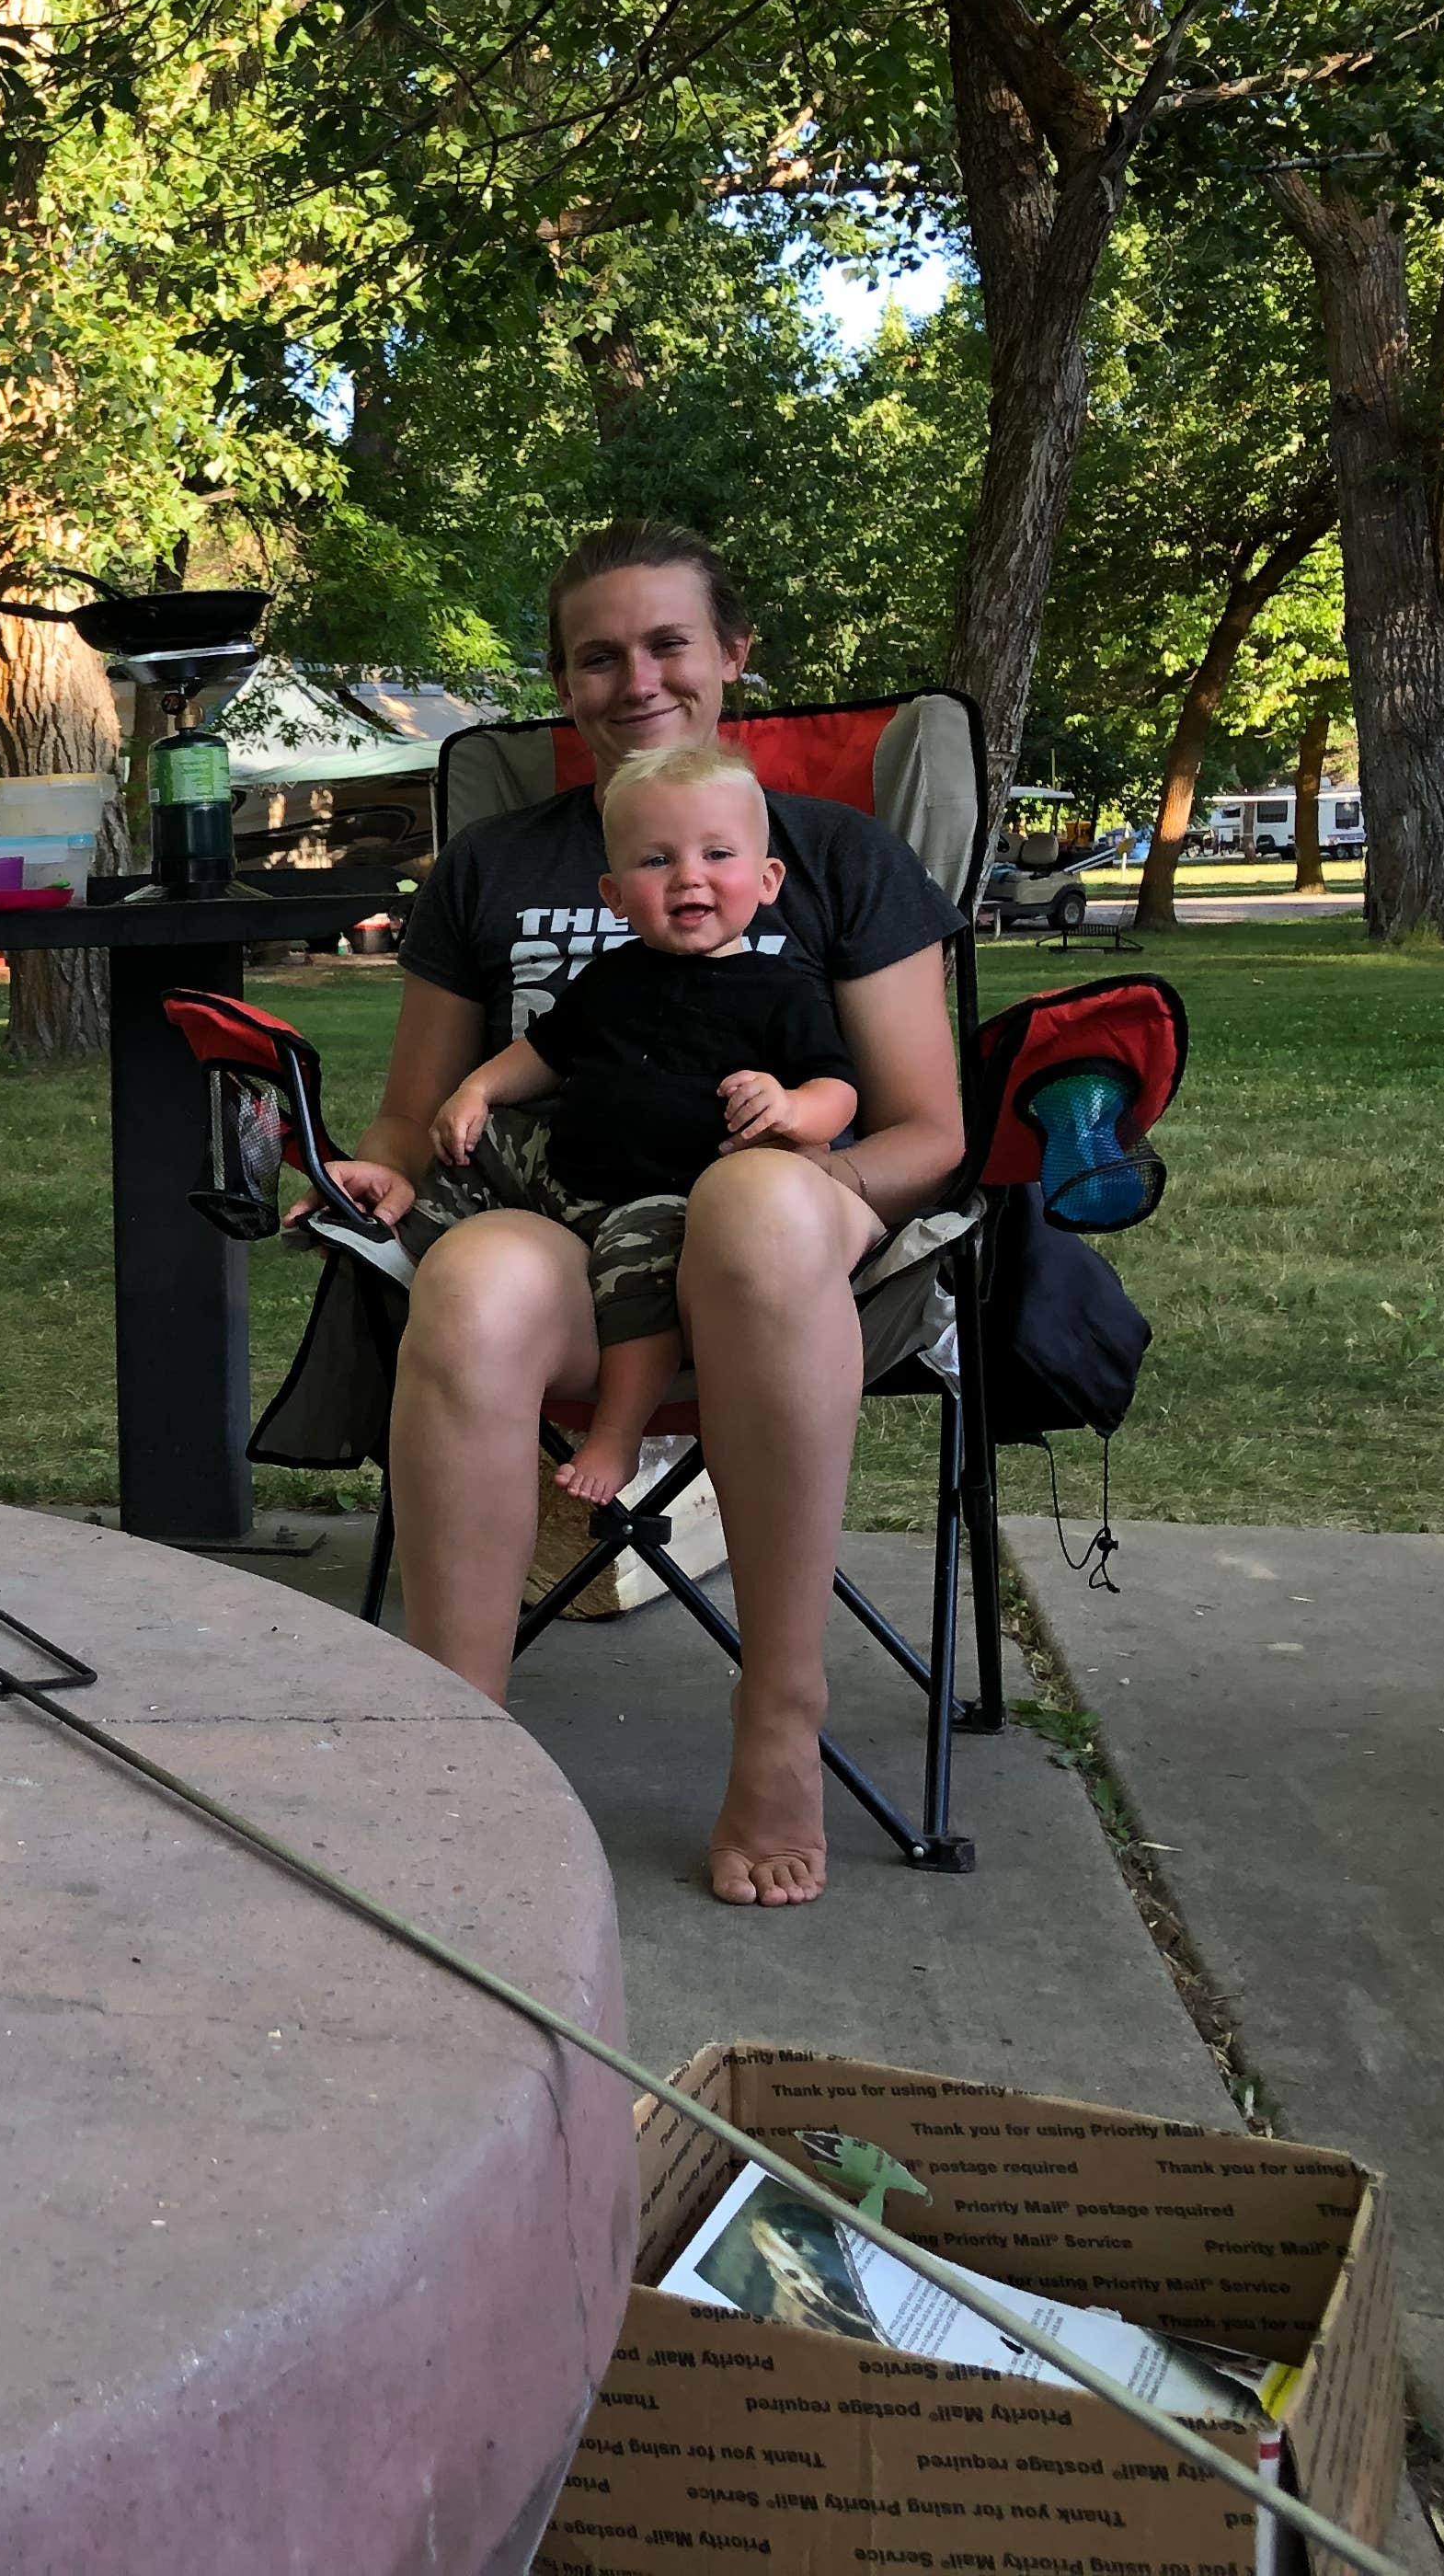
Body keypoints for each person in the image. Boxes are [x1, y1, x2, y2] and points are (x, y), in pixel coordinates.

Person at [321, 521, 965, 1909]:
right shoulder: (494, 865)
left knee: (749, 1210)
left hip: (791, 1262)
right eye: (597, 655)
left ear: (732, 654)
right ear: (563, 683)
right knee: (479, 1286)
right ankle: (460, 1747)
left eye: (669, 642)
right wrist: (380, 1171)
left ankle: (780, 1721)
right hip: (572, 1226)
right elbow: (416, 1110)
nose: (637, 679)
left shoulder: (836, 857)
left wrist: (793, 1189)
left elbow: (928, 1130)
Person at [338, 743, 863, 1508]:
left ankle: (617, 1435)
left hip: (669, 1201)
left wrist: (789, 1108)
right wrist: (479, 1089)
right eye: (657, 861)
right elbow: (545, 1053)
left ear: (769, 880)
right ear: (616, 896)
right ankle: (379, 1225)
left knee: (637, 1266)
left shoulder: (778, 991)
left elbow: (838, 1092)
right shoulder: (610, 975)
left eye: (718, 854)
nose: (688, 876)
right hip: (562, 1169)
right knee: (477, 1144)